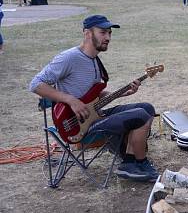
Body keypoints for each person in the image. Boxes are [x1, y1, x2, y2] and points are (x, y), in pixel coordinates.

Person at [29, 15, 158, 182]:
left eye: (110, 33)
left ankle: (129, 161)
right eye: (103, 32)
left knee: (147, 108)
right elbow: (35, 84)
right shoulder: (69, 57)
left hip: (95, 115)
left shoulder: (95, 61)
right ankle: (138, 163)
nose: (108, 38)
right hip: (77, 125)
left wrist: (124, 92)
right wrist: (71, 100)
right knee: (140, 115)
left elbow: (95, 95)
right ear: (87, 33)